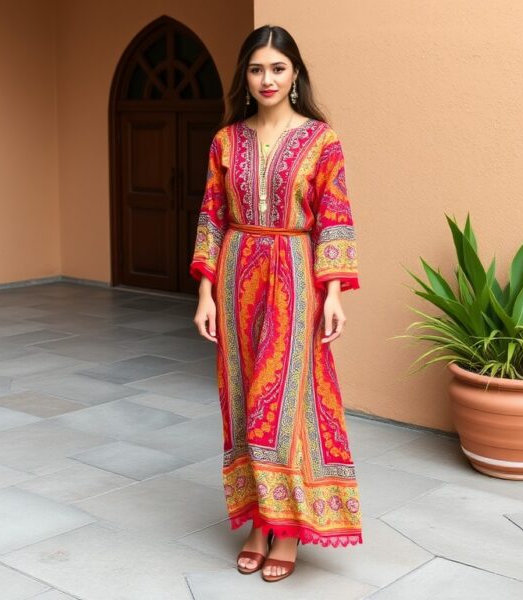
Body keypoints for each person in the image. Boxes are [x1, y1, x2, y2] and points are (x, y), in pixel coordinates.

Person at [190, 24, 363, 583]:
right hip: (238, 271)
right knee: (242, 397)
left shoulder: (321, 140)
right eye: (258, 68)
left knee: (284, 399)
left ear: (295, 75)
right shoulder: (225, 141)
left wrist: (333, 292)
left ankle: (286, 528)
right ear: (245, 76)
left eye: (278, 68)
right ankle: (258, 522)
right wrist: (205, 293)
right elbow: (211, 217)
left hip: (295, 273)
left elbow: (335, 216)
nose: (268, 79)